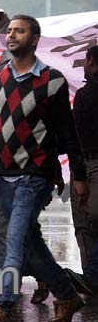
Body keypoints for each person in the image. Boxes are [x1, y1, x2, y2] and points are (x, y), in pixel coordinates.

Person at [0, 15, 88, 322]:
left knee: (12, 237)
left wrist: (78, 175)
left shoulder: (51, 81)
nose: (11, 35)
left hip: (35, 175)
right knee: (27, 241)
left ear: (34, 39)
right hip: (2, 176)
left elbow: (68, 133)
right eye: (9, 31)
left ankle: (3, 304)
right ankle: (66, 295)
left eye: (18, 31)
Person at [66, 45, 98, 292]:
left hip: (88, 164)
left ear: (91, 62)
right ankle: (91, 278)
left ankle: (91, 275)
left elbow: (74, 133)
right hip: (85, 164)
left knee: (87, 221)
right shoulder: (86, 93)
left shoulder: (87, 95)